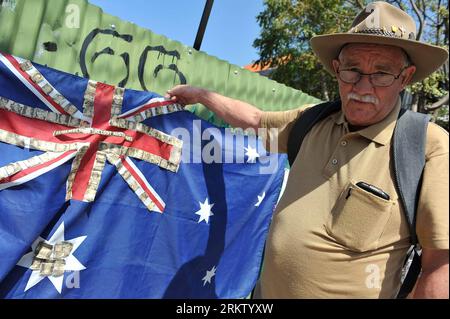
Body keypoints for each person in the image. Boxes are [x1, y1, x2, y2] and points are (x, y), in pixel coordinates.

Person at [166, 2, 449, 298]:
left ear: (405, 77)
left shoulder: (427, 147)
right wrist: (199, 95)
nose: (363, 87)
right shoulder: (312, 122)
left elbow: (439, 265)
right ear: (337, 69)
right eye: (353, 69)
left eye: (382, 73)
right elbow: (254, 120)